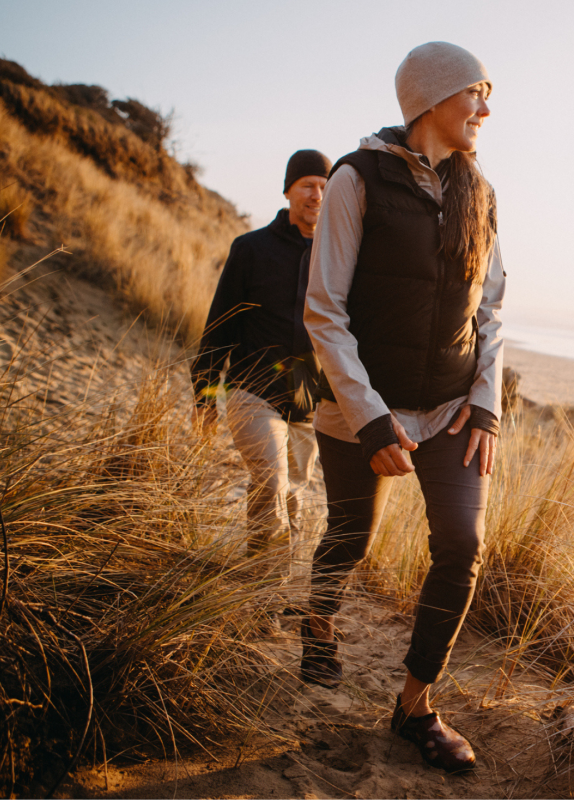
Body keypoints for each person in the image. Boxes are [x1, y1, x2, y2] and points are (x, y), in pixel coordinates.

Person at [302, 42, 504, 773]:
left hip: (450, 407)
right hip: (363, 405)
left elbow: (492, 309)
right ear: (429, 99)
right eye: (474, 93)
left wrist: (485, 406)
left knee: (462, 543)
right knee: (351, 535)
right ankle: (319, 621)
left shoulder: (479, 192)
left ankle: (414, 706)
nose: (486, 109)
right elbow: (323, 312)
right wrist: (370, 417)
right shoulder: (356, 179)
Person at [191, 149, 331, 610]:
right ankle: (265, 598)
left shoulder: (337, 257)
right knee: (271, 483)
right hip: (252, 391)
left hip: (308, 403)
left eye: (325, 186)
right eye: (308, 183)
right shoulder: (250, 249)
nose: (317, 194)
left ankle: (265, 584)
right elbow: (220, 326)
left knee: (292, 498)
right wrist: (204, 396)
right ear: (288, 189)